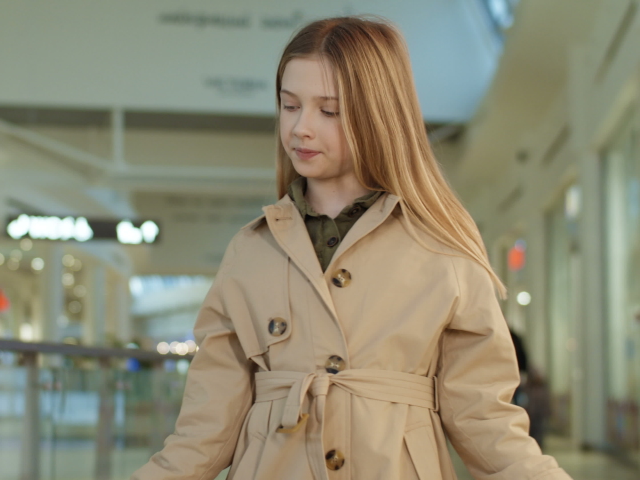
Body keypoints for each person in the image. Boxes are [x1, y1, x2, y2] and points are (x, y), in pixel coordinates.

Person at [131, 16, 571, 480]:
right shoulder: (250, 250)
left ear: (378, 113)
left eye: (329, 110)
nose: (301, 128)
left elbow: (485, 423)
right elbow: (204, 431)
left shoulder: (444, 248)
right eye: (289, 105)